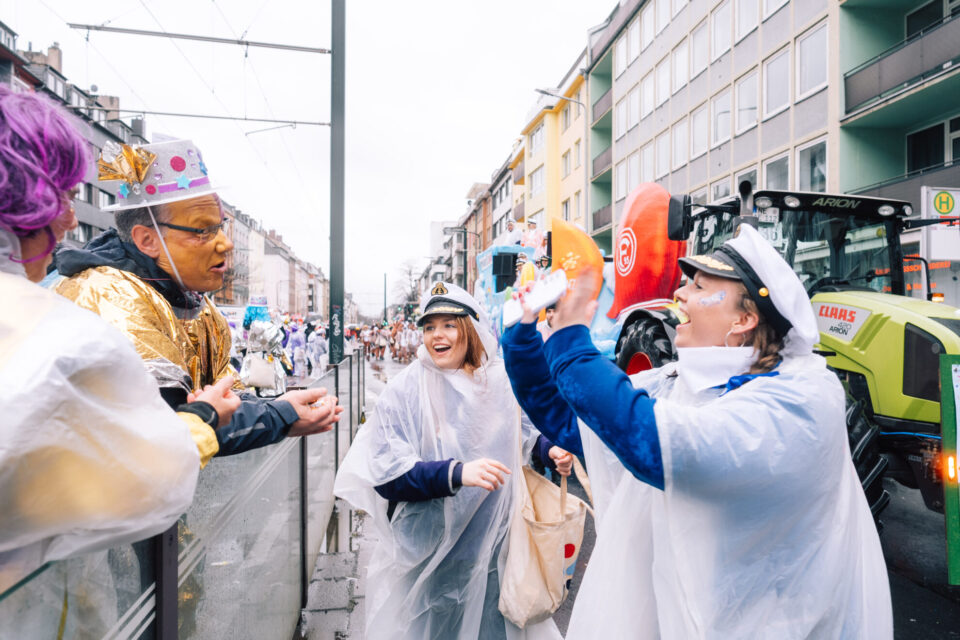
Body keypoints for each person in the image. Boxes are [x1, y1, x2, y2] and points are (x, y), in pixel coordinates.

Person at [501, 223, 892, 639]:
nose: (680, 294)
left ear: (744, 318)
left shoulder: (801, 400)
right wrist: (521, 336)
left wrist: (569, 337)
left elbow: (653, 444)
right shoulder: (681, 382)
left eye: (700, 286)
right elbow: (569, 419)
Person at [0, 86, 240, 569]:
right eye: (60, 198)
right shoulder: (72, 317)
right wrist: (206, 420)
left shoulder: (196, 307)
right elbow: (144, 479)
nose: (70, 219)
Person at [52, 138, 342, 457]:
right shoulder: (108, 294)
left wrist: (279, 407)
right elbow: (170, 428)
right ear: (148, 240)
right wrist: (281, 416)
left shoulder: (200, 309)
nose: (225, 244)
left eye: (220, 227)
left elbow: (221, 399)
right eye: (201, 230)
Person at [334, 282, 572, 640]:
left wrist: (549, 450)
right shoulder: (406, 391)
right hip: (430, 555)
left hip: (494, 546)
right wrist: (457, 473)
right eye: (429, 327)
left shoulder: (498, 382)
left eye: (448, 324)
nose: (436, 336)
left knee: (493, 628)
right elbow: (387, 475)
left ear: (470, 329)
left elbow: (521, 430)